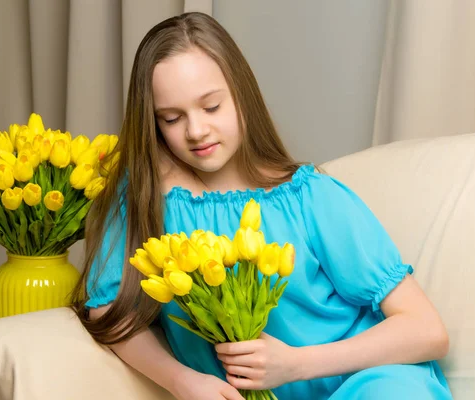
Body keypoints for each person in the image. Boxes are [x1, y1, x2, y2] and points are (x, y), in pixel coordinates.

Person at [71, 12, 453, 400]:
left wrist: (295, 365)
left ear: (242, 95)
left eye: (212, 107)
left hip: (366, 383)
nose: (196, 131)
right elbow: (109, 309)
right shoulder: (145, 199)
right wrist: (183, 381)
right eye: (172, 118)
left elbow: (426, 330)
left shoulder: (309, 196)